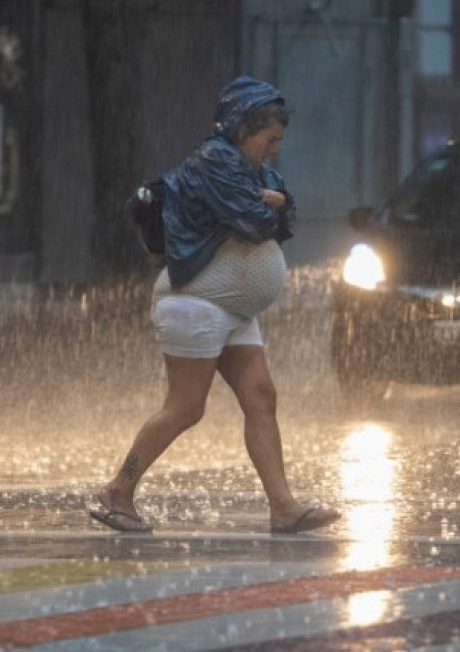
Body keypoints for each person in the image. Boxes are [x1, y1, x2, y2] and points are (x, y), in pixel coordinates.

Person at [90, 76, 342, 535]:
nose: (274, 150)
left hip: (231, 308)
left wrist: (278, 203)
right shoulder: (215, 160)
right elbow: (255, 221)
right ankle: (117, 492)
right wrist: (274, 205)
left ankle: (283, 508)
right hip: (196, 301)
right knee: (186, 407)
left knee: (261, 398)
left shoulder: (249, 168)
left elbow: (285, 214)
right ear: (243, 129)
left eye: (279, 141)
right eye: (270, 140)